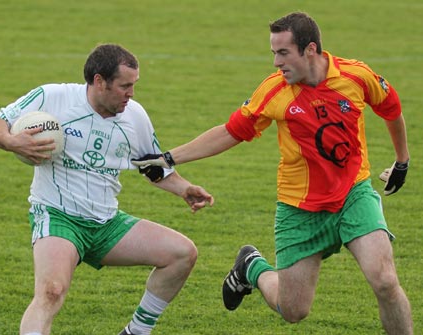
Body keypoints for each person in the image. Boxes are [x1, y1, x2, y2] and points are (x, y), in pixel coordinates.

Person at [132, 12, 413, 334]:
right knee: (294, 310)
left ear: (310, 50)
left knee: (386, 281)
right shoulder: (274, 90)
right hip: (299, 209)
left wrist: (402, 161)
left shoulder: (355, 76)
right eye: (274, 53)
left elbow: (390, 107)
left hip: (353, 194)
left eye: (283, 53)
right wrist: (168, 158)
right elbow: (231, 132)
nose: (277, 63)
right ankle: (252, 268)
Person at [0, 43, 214, 335]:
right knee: (51, 291)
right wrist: (12, 142)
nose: (131, 94)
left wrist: (184, 188)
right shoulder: (53, 97)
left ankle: (136, 332)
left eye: (134, 85)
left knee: (182, 253)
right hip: (59, 217)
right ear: (99, 81)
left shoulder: (135, 116)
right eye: (124, 86)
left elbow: (152, 166)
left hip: (106, 223)